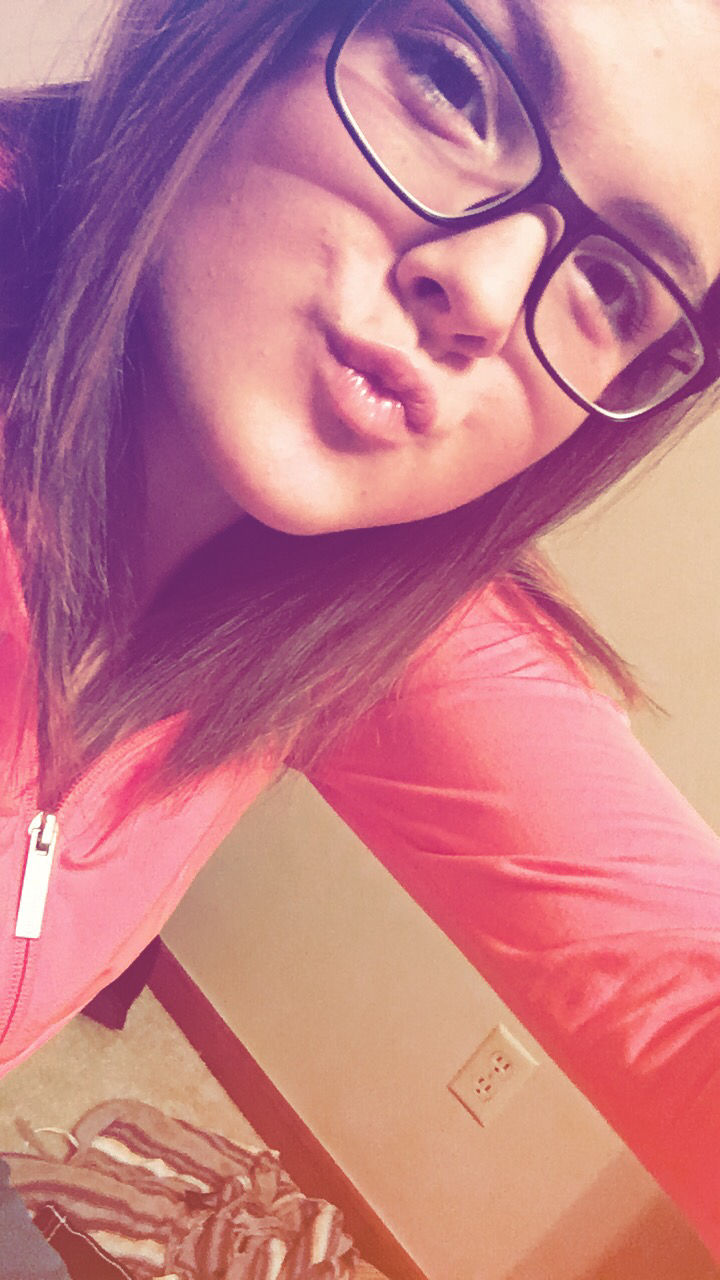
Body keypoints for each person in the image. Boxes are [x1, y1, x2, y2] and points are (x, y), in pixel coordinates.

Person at [1, 0, 719, 1268]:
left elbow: (682, 1006)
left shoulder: (377, 620)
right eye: (454, 83)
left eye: (613, 285)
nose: (484, 292)